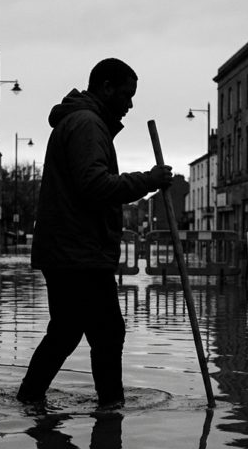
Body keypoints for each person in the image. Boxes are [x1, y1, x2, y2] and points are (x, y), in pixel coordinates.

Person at [17, 58, 173, 408]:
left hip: (68, 250)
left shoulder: (83, 122)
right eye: (126, 95)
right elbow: (94, 184)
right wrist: (148, 180)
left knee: (66, 330)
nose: (130, 105)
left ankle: (30, 400)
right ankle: (110, 411)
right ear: (105, 87)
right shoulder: (88, 125)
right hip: (78, 252)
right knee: (107, 332)